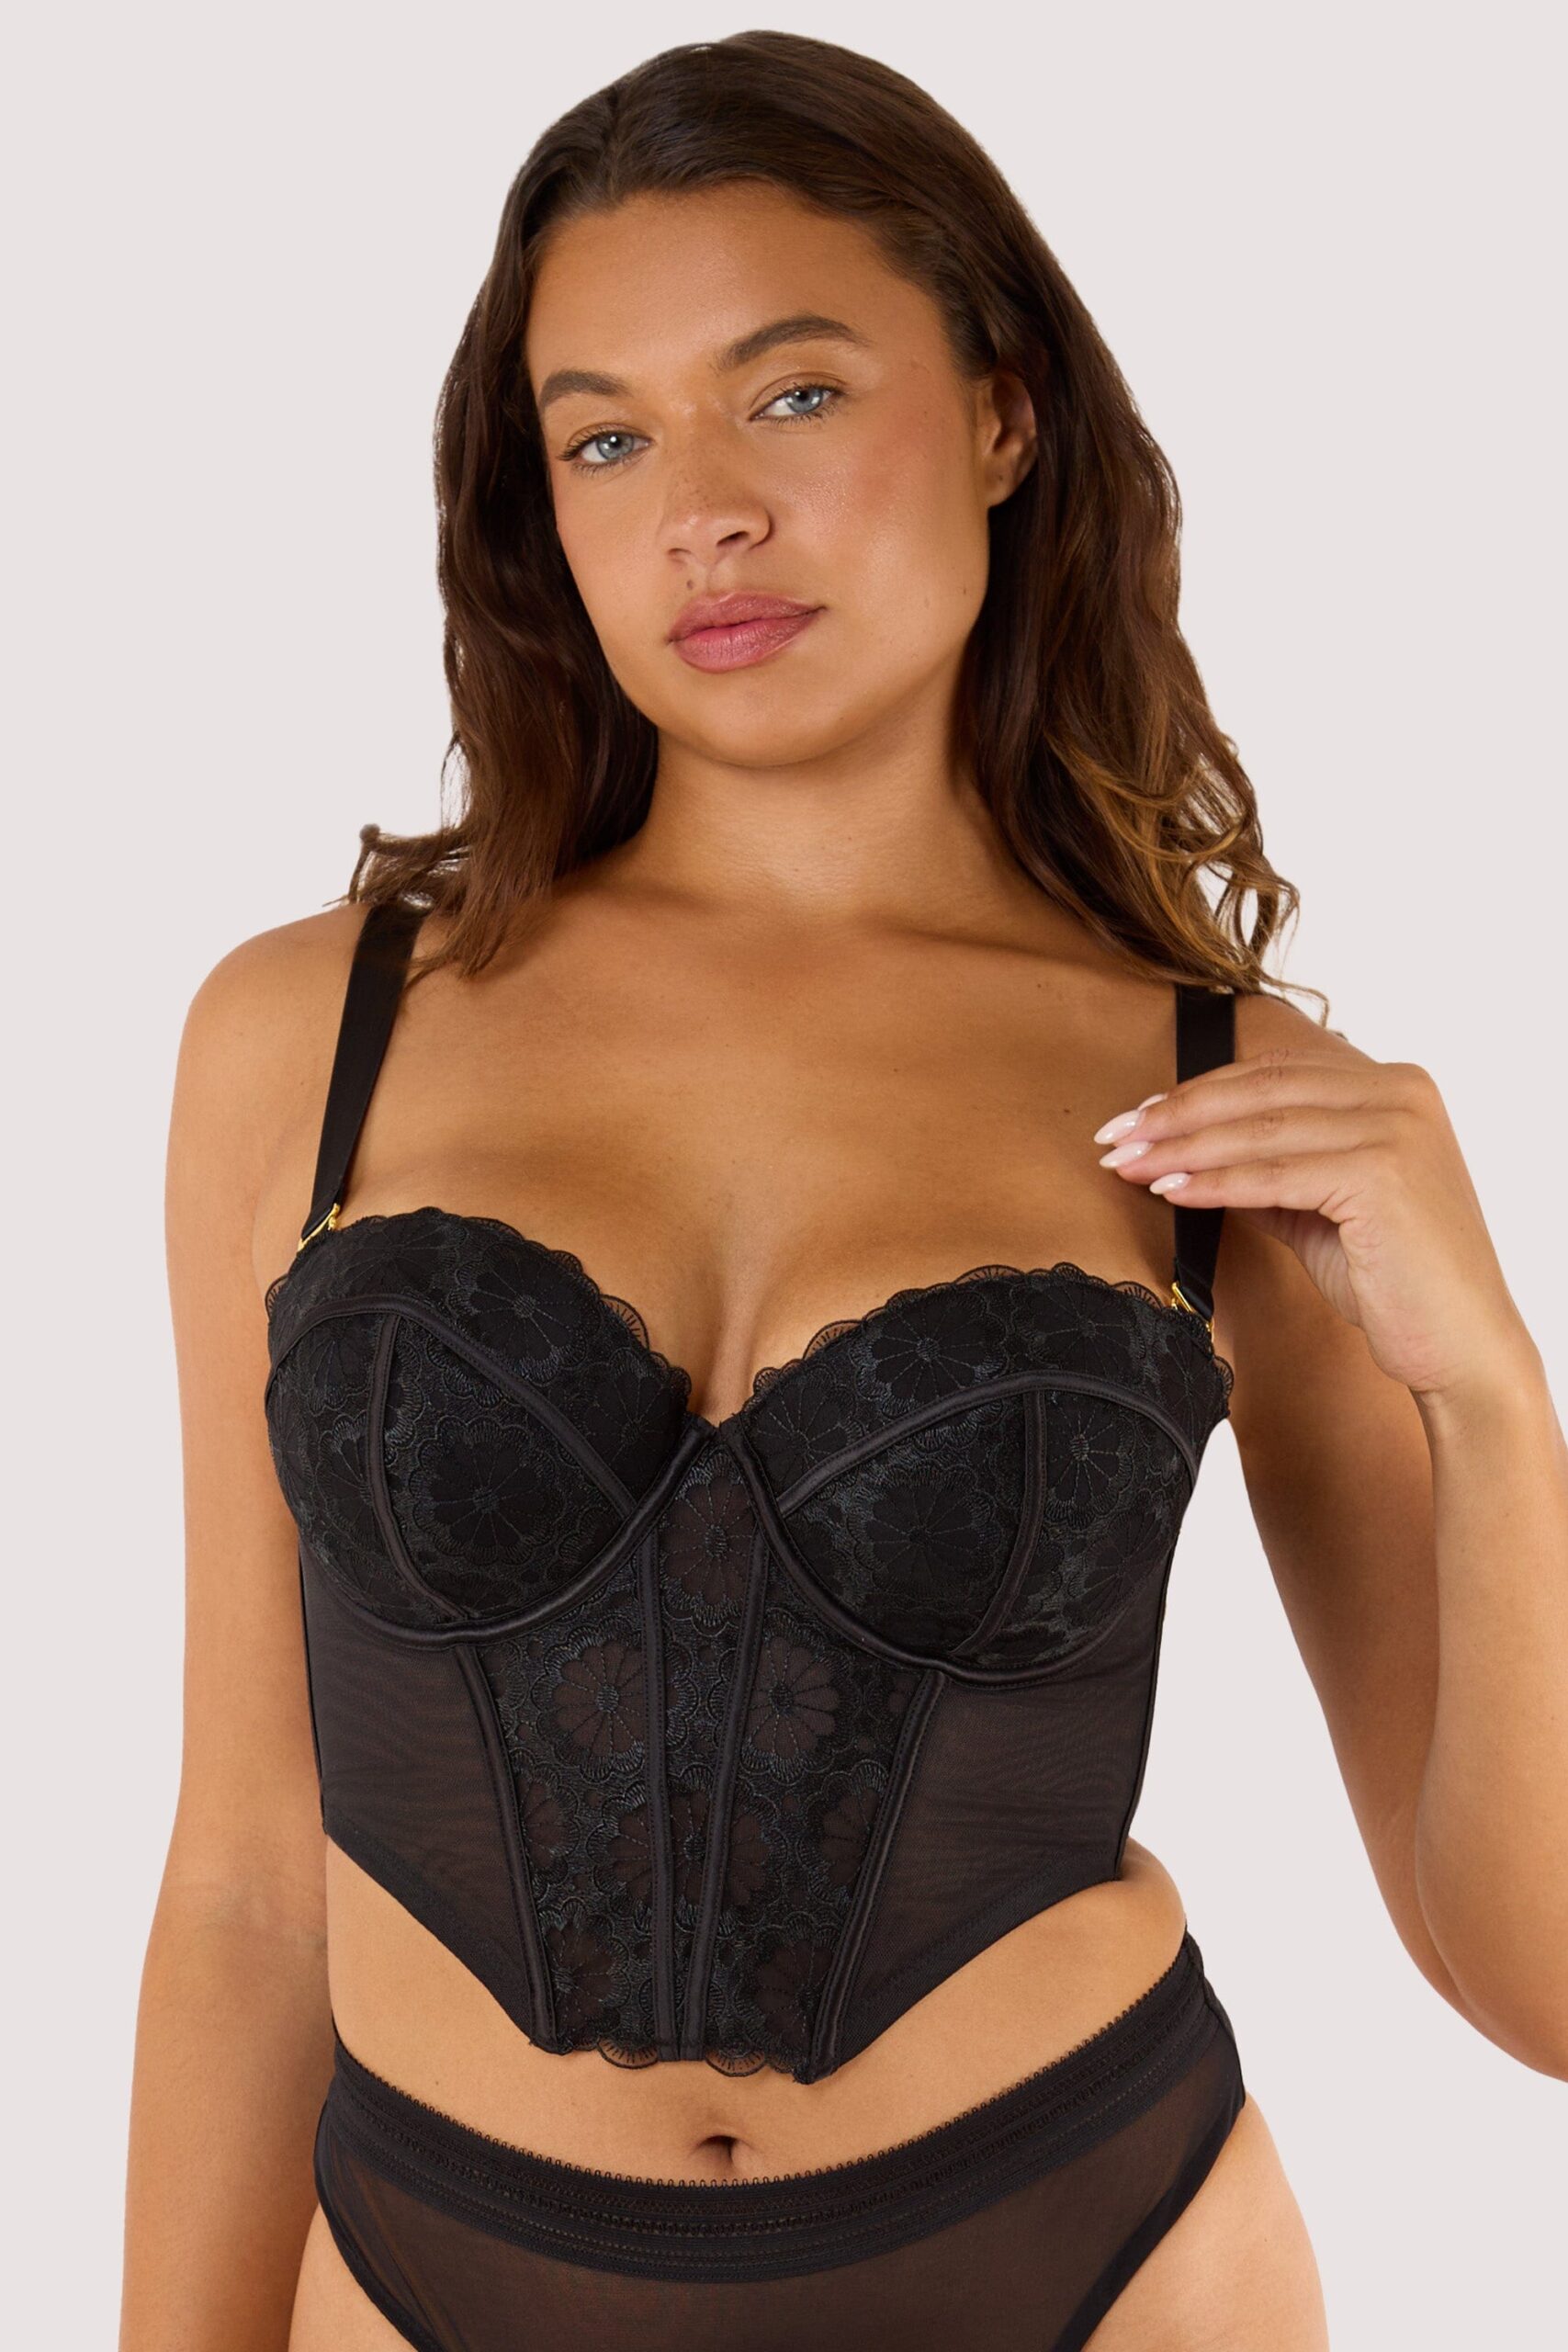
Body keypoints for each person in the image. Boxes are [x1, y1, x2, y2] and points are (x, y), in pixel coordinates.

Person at [119, 31, 1568, 2352]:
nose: (700, 511)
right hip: (429, 2263)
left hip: (1095, 2252)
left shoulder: (1227, 1107)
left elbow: (1536, 1981)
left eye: (789, 395)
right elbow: (245, 1887)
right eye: (604, 437)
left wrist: (1488, 1392)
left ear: (1002, 414)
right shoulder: (315, 1031)